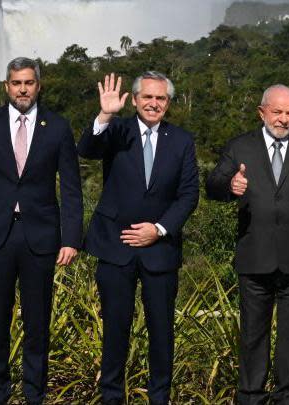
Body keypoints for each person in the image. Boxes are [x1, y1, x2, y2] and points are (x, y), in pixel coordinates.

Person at [0, 57, 83, 404]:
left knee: (37, 323)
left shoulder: (58, 127)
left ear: (39, 85)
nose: (22, 89)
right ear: (6, 86)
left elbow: (70, 187)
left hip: (40, 237)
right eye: (16, 83)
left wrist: (71, 238)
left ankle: (34, 394)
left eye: (29, 82)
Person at [205, 84, 289, 404]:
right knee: (253, 333)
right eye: (277, 112)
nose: (283, 119)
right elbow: (212, 186)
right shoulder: (240, 147)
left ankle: (288, 396)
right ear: (262, 112)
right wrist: (230, 185)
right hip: (255, 254)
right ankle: (250, 396)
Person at [78, 72, 199, 404]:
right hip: (115, 248)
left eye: (160, 98)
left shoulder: (182, 140)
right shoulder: (116, 130)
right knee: (115, 329)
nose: (153, 103)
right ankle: (111, 397)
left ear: (168, 103)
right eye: (147, 97)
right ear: (134, 100)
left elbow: (188, 195)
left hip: (160, 250)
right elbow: (87, 148)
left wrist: (158, 230)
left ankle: (160, 397)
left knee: (162, 332)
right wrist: (105, 114)